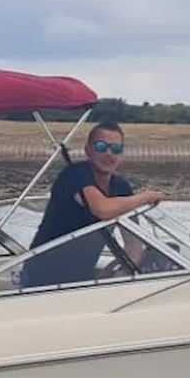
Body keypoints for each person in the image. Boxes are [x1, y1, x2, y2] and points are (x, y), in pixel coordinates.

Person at [20, 121, 164, 288]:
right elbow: (102, 209)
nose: (109, 154)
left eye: (116, 149)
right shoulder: (74, 175)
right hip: (42, 277)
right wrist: (145, 197)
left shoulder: (121, 187)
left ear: (122, 154)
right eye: (102, 147)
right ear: (88, 150)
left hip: (82, 279)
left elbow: (133, 246)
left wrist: (120, 279)